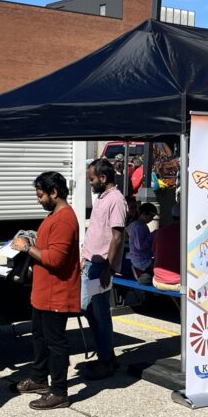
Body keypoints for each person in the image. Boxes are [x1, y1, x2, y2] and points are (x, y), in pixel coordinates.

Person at [10, 172, 80, 410]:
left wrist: (27, 246)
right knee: (39, 339)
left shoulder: (65, 220)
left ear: (54, 193)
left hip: (56, 294)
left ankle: (59, 392)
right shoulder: (54, 217)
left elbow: (55, 259)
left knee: (55, 343)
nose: (38, 200)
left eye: (40, 195)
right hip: (43, 293)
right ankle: (40, 379)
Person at [79, 160, 127, 380]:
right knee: (86, 307)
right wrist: (84, 255)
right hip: (91, 262)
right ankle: (107, 352)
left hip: (101, 266)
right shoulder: (101, 198)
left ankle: (105, 361)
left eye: (92, 179)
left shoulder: (116, 200)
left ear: (103, 178)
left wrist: (108, 267)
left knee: (100, 314)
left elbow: (117, 235)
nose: (90, 183)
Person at [127, 202, 158, 282]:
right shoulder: (139, 227)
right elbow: (140, 246)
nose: (152, 219)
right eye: (151, 216)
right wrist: (153, 234)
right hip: (142, 261)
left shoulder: (135, 224)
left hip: (138, 259)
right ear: (144, 214)